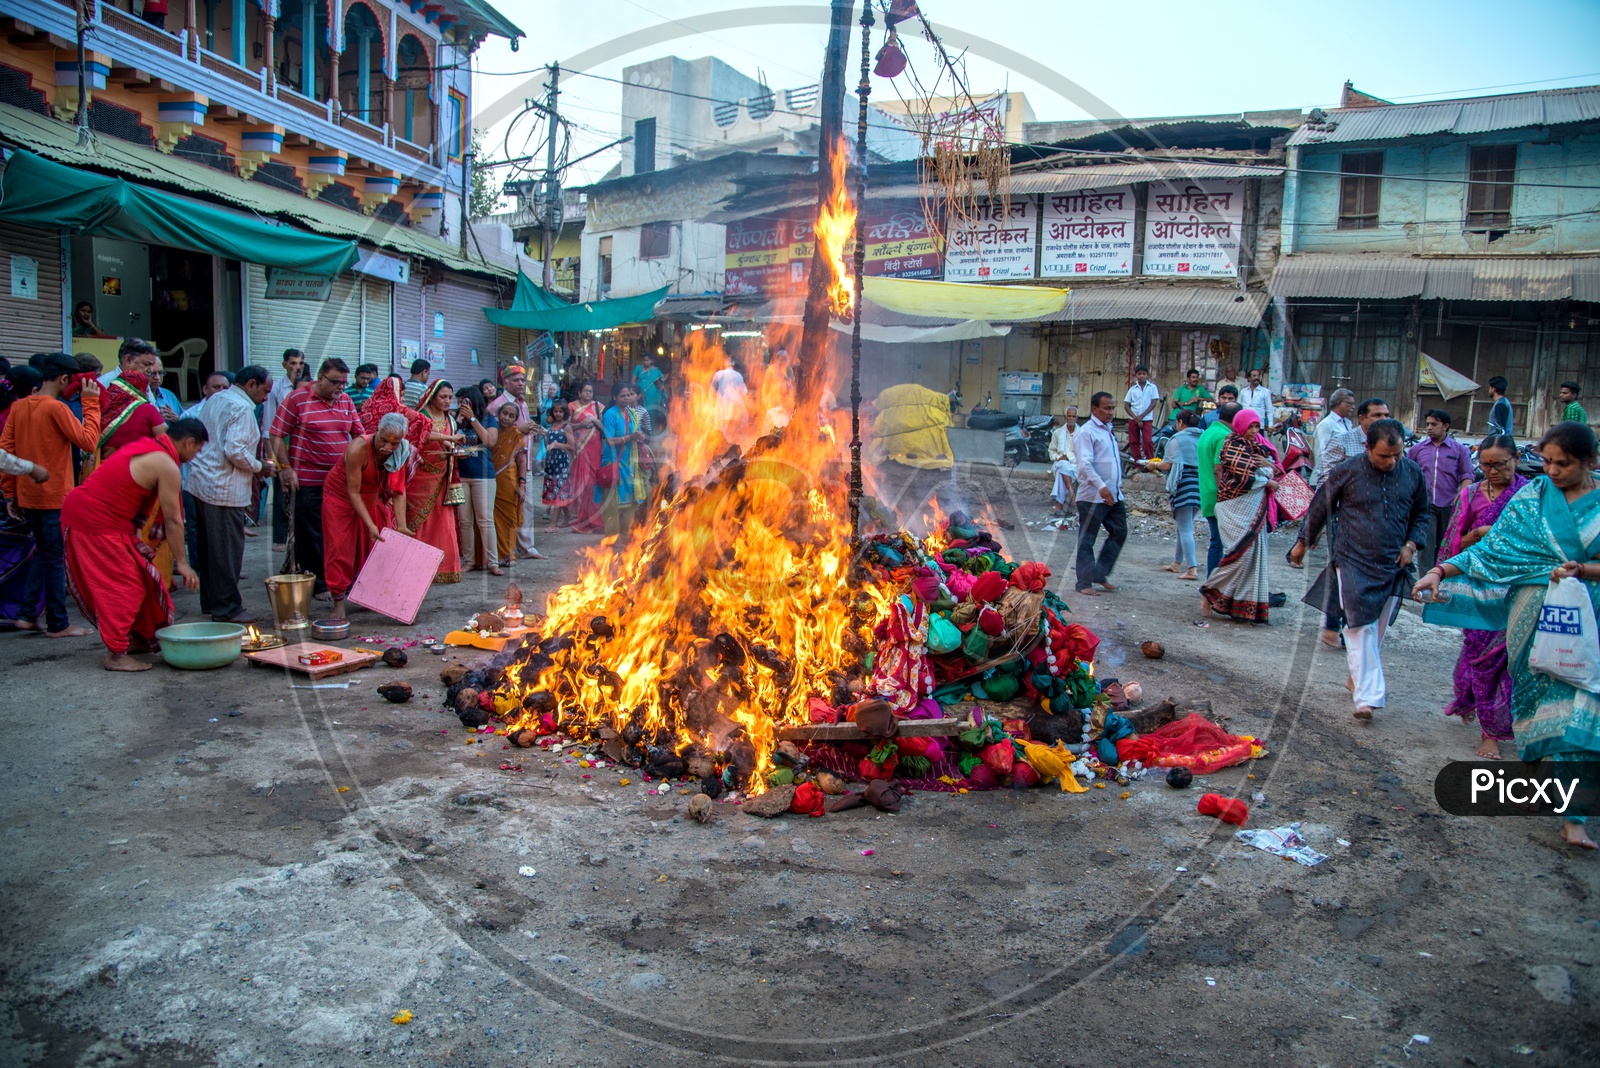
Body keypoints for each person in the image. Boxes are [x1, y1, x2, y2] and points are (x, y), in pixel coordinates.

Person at [1413, 422, 1600, 849]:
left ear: (1590, 462)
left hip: (1588, 620)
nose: (1551, 470)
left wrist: (1583, 570)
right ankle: (1537, 783)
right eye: (1547, 461)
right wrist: (1440, 570)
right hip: (1529, 618)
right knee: (1533, 704)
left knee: (1583, 713)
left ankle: (1575, 819)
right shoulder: (1531, 499)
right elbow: (1491, 551)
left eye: (1563, 464)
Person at [1292, 419, 1429, 720]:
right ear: (1367, 447)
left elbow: (1421, 514)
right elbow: (1320, 505)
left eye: (1397, 455)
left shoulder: (1413, 473)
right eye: (1384, 456)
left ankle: (1357, 677)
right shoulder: (1347, 470)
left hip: (1393, 562)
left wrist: (1411, 545)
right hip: (1352, 559)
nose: (1392, 461)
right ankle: (1367, 698)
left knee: (1377, 629)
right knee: (1358, 627)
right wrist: (1304, 541)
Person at [62, 419, 204, 670]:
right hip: (94, 520)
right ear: (189, 442)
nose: (194, 456)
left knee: (143, 579)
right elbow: (172, 520)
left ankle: (136, 637)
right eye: (197, 450)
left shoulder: (148, 446)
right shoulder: (165, 464)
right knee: (126, 586)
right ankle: (116, 654)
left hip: (102, 519)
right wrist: (183, 564)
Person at [1425, 435, 1525, 759]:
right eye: (1485, 464)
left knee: (1506, 660)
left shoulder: (1528, 496)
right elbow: (1457, 541)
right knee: (1480, 656)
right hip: (1478, 586)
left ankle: (1490, 726)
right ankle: (1481, 719)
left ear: (1517, 459)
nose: (1492, 471)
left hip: (1517, 587)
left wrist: (1490, 535)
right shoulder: (1469, 495)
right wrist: (1482, 536)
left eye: (1500, 464)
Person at [0, 353, 101, 637]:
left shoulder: (19, 407)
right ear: (65, 379)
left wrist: (10, 494)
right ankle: (58, 623)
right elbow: (89, 442)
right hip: (55, 496)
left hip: (27, 495)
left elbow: (5, 453)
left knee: (45, 554)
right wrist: (91, 403)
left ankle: (27, 614)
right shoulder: (56, 408)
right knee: (55, 557)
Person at [269, 358, 362, 598]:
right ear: (320, 377)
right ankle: (318, 584)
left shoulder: (346, 401)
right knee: (311, 534)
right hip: (308, 480)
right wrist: (285, 467)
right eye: (335, 383)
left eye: (343, 383)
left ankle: (340, 580)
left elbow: (359, 435)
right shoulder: (298, 399)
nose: (340, 388)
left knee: (339, 533)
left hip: (341, 482)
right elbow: (276, 435)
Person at [190, 365, 274, 623]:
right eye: (264, 391)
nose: (266, 397)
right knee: (225, 551)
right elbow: (235, 451)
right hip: (223, 489)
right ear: (250, 385)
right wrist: (262, 467)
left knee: (209, 550)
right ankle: (227, 608)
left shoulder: (217, 398)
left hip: (203, 482)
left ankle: (212, 602)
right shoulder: (241, 408)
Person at [323, 412, 413, 619]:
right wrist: (370, 524)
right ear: (376, 432)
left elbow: (398, 489)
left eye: (394, 443)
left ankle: (369, 594)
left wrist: (401, 525)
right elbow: (353, 492)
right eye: (383, 440)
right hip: (341, 497)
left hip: (371, 496)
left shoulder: (401, 450)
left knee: (376, 549)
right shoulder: (358, 448)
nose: (388, 447)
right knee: (340, 548)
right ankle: (338, 600)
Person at [1201, 409, 1282, 621]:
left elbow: (1276, 470)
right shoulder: (1231, 445)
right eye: (1250, 427)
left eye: (1256, 426)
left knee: (1252, 558)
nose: (1254, 431)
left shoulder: (1257, 448)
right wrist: (1268, 481)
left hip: (1253, 509)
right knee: (1238, 555)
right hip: (1234, 508)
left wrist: (1269, 466)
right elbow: (1245, 477)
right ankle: (1208, 593)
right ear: (1239, 426)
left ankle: (1242, 607)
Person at [0, 366, 47, 627]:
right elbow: (5, 455)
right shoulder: (20, 413)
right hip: (19, 491)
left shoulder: (16, 412)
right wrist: (31, 469)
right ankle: (23, 611)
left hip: (14, 491)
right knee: (34, 549)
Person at [408, 381, 464, 584]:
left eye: (450, 397)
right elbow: (422, 435)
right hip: (421, 478)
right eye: (443, 397)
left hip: (442, 476)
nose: (447, 401)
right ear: (432, 396)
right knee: (419, 523)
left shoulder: (450, 418)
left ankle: (443, 570)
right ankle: (416, 570)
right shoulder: (422, 414)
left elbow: (445, 442)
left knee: (442, 522)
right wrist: (450, 438)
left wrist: (453, 448)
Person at [1407, 409, 1475, 573]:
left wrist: (1462, 494)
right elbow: (1407, 474)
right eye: (1428, 424)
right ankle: (1425, 586)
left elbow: (1467, 475)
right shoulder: (1417, 450)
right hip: (1425, 506)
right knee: (1426, 547)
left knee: (1447, 545)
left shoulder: (1460, 450)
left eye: (1434, 424)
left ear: (1445, 426)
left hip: (1449, 505)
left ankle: (1442, 581)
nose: (1429, 428)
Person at [1072, 391, 1126, 596]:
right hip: (1092, 495)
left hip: (1112, 494)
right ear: (1095, 409)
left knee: (1120, 531)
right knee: (1087, 539)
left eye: (1113, 408)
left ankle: (1099, 574)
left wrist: (1112, 486)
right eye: (1107, 408)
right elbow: (1085, 464)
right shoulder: (1086, 432)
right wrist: (1101, 486)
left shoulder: (1107, 430)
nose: (1111, 412)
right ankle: (1084, 583)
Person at [580, 382, 650, 538]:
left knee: (631, 501)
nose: (626, 398)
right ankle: (612, 539)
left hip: (629, 463)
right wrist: (630, 437)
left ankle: (626, 536)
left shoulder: (632, 414)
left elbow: (636, 433)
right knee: (613, 503)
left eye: (629, 395)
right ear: (614, 397)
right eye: (623, 396)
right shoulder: (610, 415)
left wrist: (639, 437)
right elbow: (609, 441)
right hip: (613, 462)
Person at [1145, 408, 1203, 580]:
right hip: (1199, 486)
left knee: (1185, 528)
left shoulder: (1177, 439)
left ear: (1180, 422)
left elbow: (1168, 465)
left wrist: (1153, 465)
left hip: (1183, 485)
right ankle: (1177, 563)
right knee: (1183, 526)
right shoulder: (1202, 438)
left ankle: (1192, 568)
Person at [499, 364, 546, 562]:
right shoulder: (497, 405)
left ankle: (527, 547)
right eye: (516, 380)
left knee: (526, 505)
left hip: (524, 462)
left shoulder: (523, 404)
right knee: (508, 507)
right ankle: (507, 550)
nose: (520, 384)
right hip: (506, 466)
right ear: (505, 382)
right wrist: (521, 430)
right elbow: (498, 436)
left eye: (522, 380)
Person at [262, 349, 307, 553]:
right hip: (282, 444)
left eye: (300, 363)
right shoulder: (276, 390)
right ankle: (280, 537)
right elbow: (269, 427)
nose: (297, 367)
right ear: (285, 365)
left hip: (303, 446)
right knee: (281, 492)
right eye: (293, 363)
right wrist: (270, 456)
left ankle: (298, 534)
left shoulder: (308, 386)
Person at [454, 385, 501, 575]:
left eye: (463, 402)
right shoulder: (455, 421)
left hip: (483, 476)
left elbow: (490, 441)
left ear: (473, 402)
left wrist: (472, 418)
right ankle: (470, 561)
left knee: (485, 520)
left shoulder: (489, 419)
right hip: (461, 477)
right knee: (465, 521)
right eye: (458, 403)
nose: (460, 406)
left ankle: (493, 563)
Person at [1198, 400, 1243, 576]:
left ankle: (1212, 583)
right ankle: (1214, 585)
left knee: (1216, 540)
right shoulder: (1225, 436)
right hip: (1219, 494)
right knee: (1222, 542)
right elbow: (1218, 468)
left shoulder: (1208, 432)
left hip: (1208, 492)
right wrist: (1225, 495)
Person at [564, 381, 606, 534]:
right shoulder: (571, 406)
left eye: (591, 391)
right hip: (578, 446)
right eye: (586, 391)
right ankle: (579, 517)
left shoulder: (599, 406)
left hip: (594, 446)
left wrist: (594, 420)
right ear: (579, 392)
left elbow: (604, 427)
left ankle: (593, 518)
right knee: (580, 480)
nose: (588, 393)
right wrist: (581, 424)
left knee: (592, 481)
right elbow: (565, 426)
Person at [492, 400, 528, 562]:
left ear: (515, 420)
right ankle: (494, 555)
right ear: (498, 414)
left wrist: (522, 483)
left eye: (511, 416)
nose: (506, 418)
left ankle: (508, 555)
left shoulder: (516, 435)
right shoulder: (490, 431)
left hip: (510, 480)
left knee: (509, 517)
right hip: (490, 478)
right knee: (491, 518)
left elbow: (522, 460)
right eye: (504, 413)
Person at [539, 401, 574, 529]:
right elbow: (548, 445)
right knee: (556, 491)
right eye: (555, 411)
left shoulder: (566, 427)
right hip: (551, 462)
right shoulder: (552, 425)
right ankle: (568, 518)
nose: (558, 414)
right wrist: (545, 437)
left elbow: (572, 446)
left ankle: (553, 524)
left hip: (562, 463)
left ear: (565, 413)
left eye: (560, 411)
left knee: (558, 492)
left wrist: (556, 444)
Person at [1312, 389, 1357, 486]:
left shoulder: (1346, 423)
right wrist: (1324, 478)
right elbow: (1320, 453)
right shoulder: (1327, 424)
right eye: (1350, 404)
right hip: (1326, 479)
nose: (1353, 407)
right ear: (1339, 403)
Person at [1122, 364, 1160, 463]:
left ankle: (1151, 464)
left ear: (1147, 375)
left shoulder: (1152, 388)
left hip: (1146, 418)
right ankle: (1137, 464)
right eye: (1139, 374)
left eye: (1144, 374)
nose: (1141, 376)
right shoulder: (1132, 389)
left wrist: (1141, 417)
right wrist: (1136, 418)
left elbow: (1153, 403)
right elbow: (1126, 405)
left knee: (1148, 442)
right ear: (1136, 376)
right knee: (1133, 442)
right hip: (1133, 419)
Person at [1047, 407, 1077, 517]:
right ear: (1065, 417)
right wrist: (1058, 457)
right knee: (1062, 465)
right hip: (1060, 462)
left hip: (1075, 465)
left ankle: (1059, 505)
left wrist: (1069, 458)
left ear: (1077, 418)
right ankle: (1071, 492)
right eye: (1069, 416)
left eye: (1073, 416)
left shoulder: (1082, 433)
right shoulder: (1057, 433)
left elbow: (1084, 453)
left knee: (1062, 470)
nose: (1071, 418)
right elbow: (1051, 450)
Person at [711, 353, 749, 436]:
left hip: (722, 413)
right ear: (733, 365)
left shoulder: (719, 374)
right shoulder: (739, 376)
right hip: (735, 414)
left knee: (721, 439)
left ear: (724, 364)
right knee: (734, 438)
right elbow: (744, 394)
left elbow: (711, 393)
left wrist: (713, 406)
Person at [633, 353, 666, 419]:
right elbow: (633, 380)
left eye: (647, 360)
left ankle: (651, 428)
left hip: (652, 394)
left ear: (651, 361)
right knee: (639, 412)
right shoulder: (638, 368)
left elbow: (658, 383)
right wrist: (635, 391)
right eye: (644, 360)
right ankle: (640, 428)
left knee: (651, 411)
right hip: (640, 393)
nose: (645, 362)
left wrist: (661, 387)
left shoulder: (655, 371)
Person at [1487, 376, 1514, 440]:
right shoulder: (1502, 402)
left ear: (1493, 389)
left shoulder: (1500, 405)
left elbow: (1501, 431)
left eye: (1490, 388)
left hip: (1500, 444)